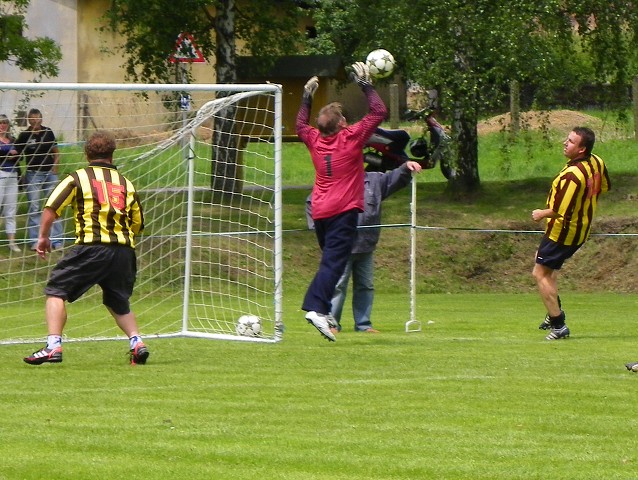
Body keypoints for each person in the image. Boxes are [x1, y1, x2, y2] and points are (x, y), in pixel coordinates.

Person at [23, 130, 149, 365]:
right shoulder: (125, 183)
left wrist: (42, 237)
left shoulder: (77, 178)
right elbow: (138, 223)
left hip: (92, 247)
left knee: (56, 290)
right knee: (117, 300)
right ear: (112, 154)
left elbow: (51, 208)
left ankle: (53, 346)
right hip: (124, 252)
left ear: (86, 153)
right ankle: (137, 342)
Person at [296, 63, 388, 341]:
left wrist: (306, 98)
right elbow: (379, 112)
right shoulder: (350, 137)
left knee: (331, 262)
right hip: (342, 211)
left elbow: (300, 124)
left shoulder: (313, 138)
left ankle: (322, 308)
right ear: (343, 124)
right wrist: (365, 84)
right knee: (333, 265)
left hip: (320, 211)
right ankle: (315, 308)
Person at [306, 160, 422, 333]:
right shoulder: (332, 182)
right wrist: (321, 230)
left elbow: (394, 179)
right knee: (338, 286)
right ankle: (331, 324)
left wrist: (406, 167)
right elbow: (311, 202)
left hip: (366, 245)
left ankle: (363, 325)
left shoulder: (375, 181)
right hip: (341, 247)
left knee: (365, 286)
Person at [532, 126, 609, 340]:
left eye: (571, 141)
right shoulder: (597, 162)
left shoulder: (572, 177)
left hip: (563, 232)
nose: (565, 143)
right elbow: (602, 188)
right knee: (545, 267)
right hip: (581, 229)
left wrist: (540, 213)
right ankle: (552, 309)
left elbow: (558, 211)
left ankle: (558, 324)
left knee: (539, 274)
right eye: (567, 139)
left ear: (582, 149)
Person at [14, 108, 64, 250]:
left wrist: (55, 168)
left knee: (53, 206)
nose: (35, 120)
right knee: (34, 207)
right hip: (33, 175)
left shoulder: (48, 132)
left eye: (37, 118)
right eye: (32, 118)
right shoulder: (24, 135)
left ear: (41, 119)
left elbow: (56, 152)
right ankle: (35, 241)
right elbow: (16, 153)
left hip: (49, 174)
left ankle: (56, 240)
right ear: (28, 120)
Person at [0, 114, 21, 252]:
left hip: (13, 175)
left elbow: (19, 156)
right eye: (0, 123)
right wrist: (8, 155)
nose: (2, 125)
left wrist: (15, 156)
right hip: (0, 174)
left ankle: (12, 242)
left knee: (11, 210)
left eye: (5, 123)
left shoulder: (12, 140)